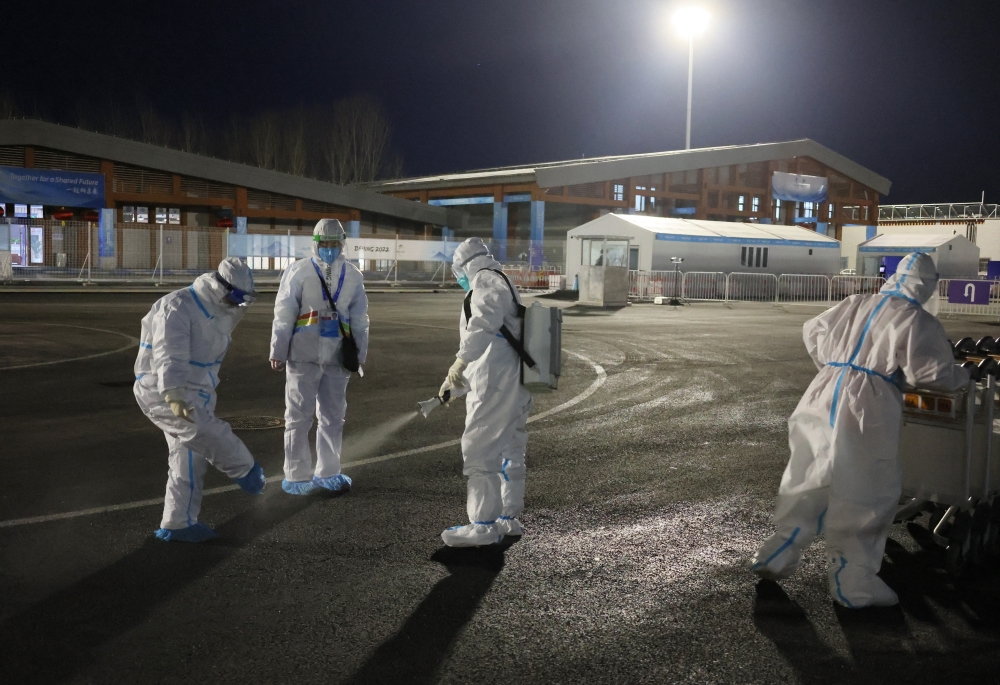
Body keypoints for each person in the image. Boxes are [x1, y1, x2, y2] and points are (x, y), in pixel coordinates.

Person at [750, 252, 968, 607]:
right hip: (870, 405)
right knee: (865, 484)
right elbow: (932, 376)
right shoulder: (916, 320)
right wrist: (962, 376)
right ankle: (853, 579)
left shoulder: (854, 302)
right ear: (927, 286)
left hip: (823, 392)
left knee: (810, 470)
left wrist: (837, 366)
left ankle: (779, 550)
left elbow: (813, 331)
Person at [134, 258, 266, 543]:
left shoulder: (221, 308)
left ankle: (178, 522)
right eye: (237, 296)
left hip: (195, 391)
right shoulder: (178, 306)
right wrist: (173, 394)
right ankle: (245, 468)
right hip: (164, 391)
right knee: (205, 431)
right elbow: (170, 354)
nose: (240, 303)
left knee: (189, 458)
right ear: (221, 287)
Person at [439, 237, 533, 547]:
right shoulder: (501, 278)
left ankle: (482, 525)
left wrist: (459, 362)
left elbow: (482, 326)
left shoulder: (485, 282)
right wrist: (459, 383)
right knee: (510, 450)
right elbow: (498, 342)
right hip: (512, 380)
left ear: (464, 265)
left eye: (456, 271)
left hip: (497, 383)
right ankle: (507, 517)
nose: (457, 278)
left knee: (479, 449)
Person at [269, 218, 369, 495]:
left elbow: (360, 319)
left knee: (333, 417)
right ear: (315, 244)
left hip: (338, 356)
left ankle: (329, 472)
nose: (329, 249)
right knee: (298, 417)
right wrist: (278, 349)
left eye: (334, 244)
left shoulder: (353, 276)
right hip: (303, 354)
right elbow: (284, 312)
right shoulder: (298, 272)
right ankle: (297, 475)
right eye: (323, 244)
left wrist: (359, 353)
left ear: (342, 243)